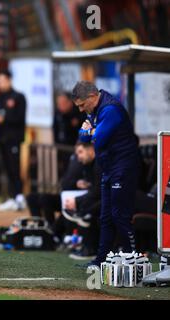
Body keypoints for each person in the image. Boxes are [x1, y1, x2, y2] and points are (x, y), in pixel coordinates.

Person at [72, 81, 139, 267]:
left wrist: (91, 130)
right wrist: (91, 130)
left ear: (92, 97)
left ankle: (132, 258)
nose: (81, 110)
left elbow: (98, 139)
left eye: (82, 105)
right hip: (108, 168)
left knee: (119, 215)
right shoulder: (95, 109)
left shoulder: (110, 109)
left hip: (123, 168)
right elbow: (82, 137)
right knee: (106, 217)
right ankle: (101, 260)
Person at [0, 70, 27, 211]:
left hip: (14, 139)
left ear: (9, 80)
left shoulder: (18, 97)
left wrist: (4, 119)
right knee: (7, 169)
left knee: (15, 168)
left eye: (2, 80)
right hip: (2, 139)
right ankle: (12, 197)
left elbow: (20, 118)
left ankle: (19, 197)